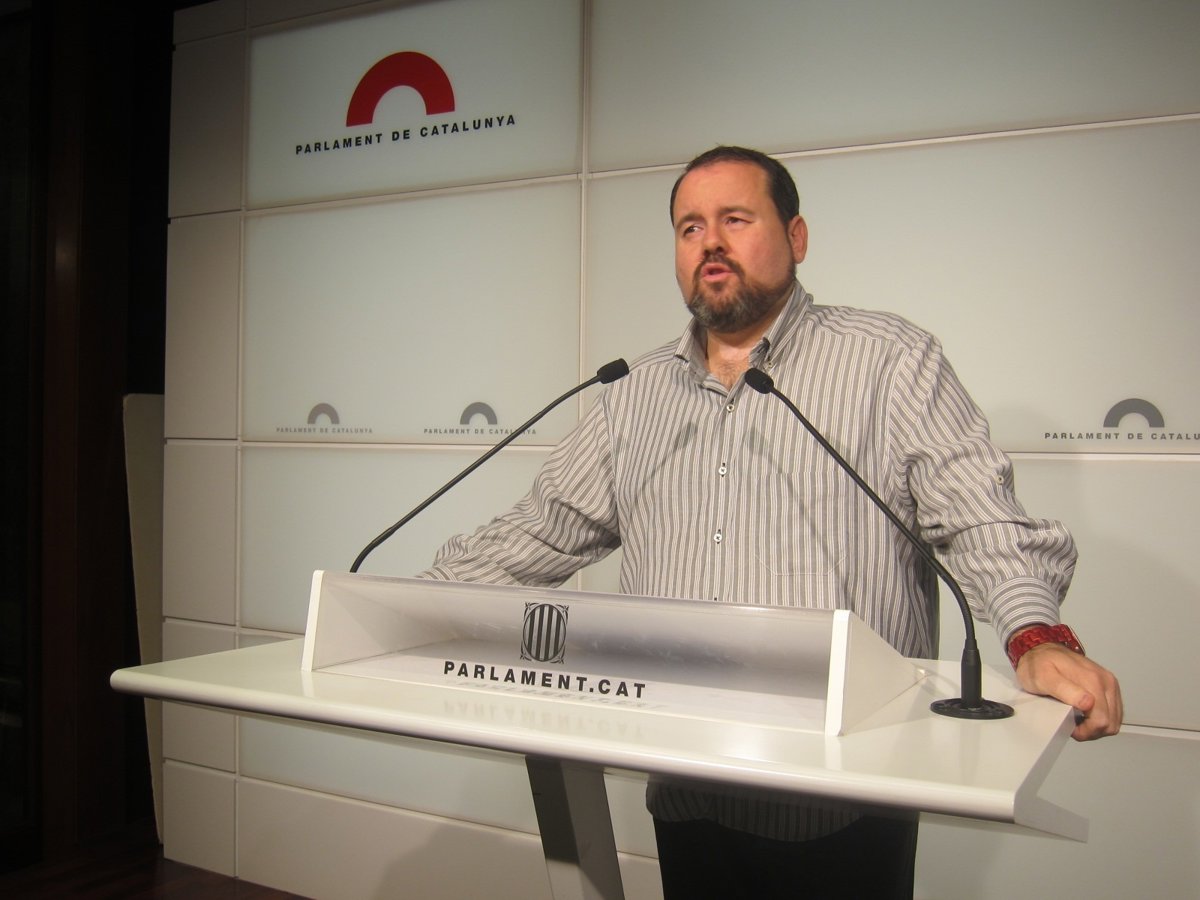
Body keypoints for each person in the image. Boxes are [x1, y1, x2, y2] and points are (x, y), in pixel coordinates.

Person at [423, 146, 1122, 898]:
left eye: (735, 219)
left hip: (850, 800)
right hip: (686, 790)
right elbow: (540, 531)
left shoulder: (889, 361)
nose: (710, 243)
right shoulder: (631, 394)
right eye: (690, 228)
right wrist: (397, 612)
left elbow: (980, 516)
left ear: (796, 236)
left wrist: (1035, 635)